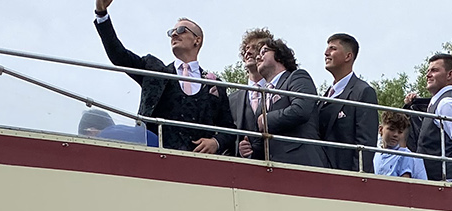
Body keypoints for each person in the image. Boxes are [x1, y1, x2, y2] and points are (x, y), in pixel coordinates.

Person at [91, 0, 234, 155]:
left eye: (181, 30)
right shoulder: (154, 70)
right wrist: (101, 14)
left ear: (197, 40)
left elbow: (228, 127)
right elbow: (119, 55)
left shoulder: (215, 85)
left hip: (198, 166)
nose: (174, 34)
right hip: (154, 159)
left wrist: (216, 142)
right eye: (171, 32)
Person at [238, 38, 328, 168]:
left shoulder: (297, 77)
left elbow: (301, 110)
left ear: (279, 56)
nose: (258, 57)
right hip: (273, 170)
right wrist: (248, 150)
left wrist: (267, 119)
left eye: (264, 51)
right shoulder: (262, 97)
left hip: (302, 162)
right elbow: (261, 142)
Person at [405, 54, 452, 183]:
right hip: (438, 180)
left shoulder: (448, 103)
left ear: (449, 75)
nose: (428, 75)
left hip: (448, 181)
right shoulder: (438, 102)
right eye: (428, 71)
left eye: (434, 70)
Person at [318, 33, 379, 173]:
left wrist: (356, 179)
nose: (326, 53)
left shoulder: (363, 92)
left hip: (347, 180)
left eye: (333, 48)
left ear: (348, 56)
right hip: (323, 176)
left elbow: (366, 143)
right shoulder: (325, 96)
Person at [229, 28, 274, 161]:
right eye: (246, 49)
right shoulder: (232, 99)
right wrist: (240, 151)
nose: (248, 52)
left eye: (254, 48)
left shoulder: (281, 89)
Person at [374, 110, 428, 179]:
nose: (395, 134)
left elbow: (404, 185)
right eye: (392, 129)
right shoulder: (376, 152)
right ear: (381, 130)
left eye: (400, 132)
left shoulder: (405, 155)